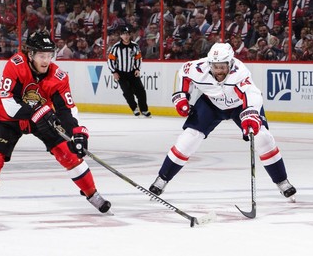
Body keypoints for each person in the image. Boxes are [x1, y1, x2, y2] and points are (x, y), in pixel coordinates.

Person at [0, 31, 111, 214]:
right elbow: (10, 105)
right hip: (10, 117)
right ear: (31, 54)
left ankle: (92, 193)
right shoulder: (15, 65)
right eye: (42, 56)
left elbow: (66, 110)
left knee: (70, 154)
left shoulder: (58, 76)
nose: (46, 60)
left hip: (42, 117)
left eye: (49, 56)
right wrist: (39, 111)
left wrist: (77, 133)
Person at [149, 42, 297, 201]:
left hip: (240, 106)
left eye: (222, 67)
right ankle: (162, 179)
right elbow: (184, 74)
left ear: (231, 63)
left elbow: (252, 94)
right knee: (189, 137)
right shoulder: (198, 68)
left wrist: (251, 115)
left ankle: (282, 181)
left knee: (262, 137)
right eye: (215, 66)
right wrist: (182, 96)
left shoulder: (240, 72)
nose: (219, 71)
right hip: (211, 104)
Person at [107, 26, 151, 117]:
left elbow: (138, 58)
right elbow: (110, 60)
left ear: (129, 35)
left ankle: (144, 110)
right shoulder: (116, 47)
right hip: (120, 73)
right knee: (127, 91)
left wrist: (137, 69)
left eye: (127, 34)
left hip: (132, 72)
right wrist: (114, 72)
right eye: (124, 34)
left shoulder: (135, 46)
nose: (126, 36)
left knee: (141, 91)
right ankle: (134, 108)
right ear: (121, 36)